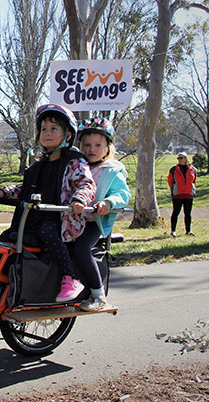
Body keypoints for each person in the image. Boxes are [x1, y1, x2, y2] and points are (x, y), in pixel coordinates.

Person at [0, 104, 96, 303]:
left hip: (60, 219)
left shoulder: (74, 162)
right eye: (43, 129)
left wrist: (80, 199)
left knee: (47, 231)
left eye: (54, 129)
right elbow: (27, 188)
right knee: (5, 239)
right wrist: (7, 192)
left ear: (68, 135)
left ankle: (71, 278)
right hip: (34, 218)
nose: (47, 133)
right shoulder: (38, 165)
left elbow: (86, 184)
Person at [74, 117, 131, 311]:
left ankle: (98, 294)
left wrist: (108, 202)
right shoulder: (78, 167)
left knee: (81, 247)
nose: (91, 149)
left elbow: (122, 193)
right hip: (72, 218)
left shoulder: (112, 170)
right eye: (87, 144)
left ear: (108, 147)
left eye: (98, 145)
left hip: (93, 222)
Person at [167, 152, 197, 237]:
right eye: (178, 158)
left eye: (181, 158)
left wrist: (192, 190)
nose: (179, 160)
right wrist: (175, 189)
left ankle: (188, 230)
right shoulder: (173, 169)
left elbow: (194, 181)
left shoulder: (193, 169)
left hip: (188, 194)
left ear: (186, 159)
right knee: (176, 212)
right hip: (178, 194)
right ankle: (173, 231)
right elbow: (170, 181)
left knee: (188, 213)